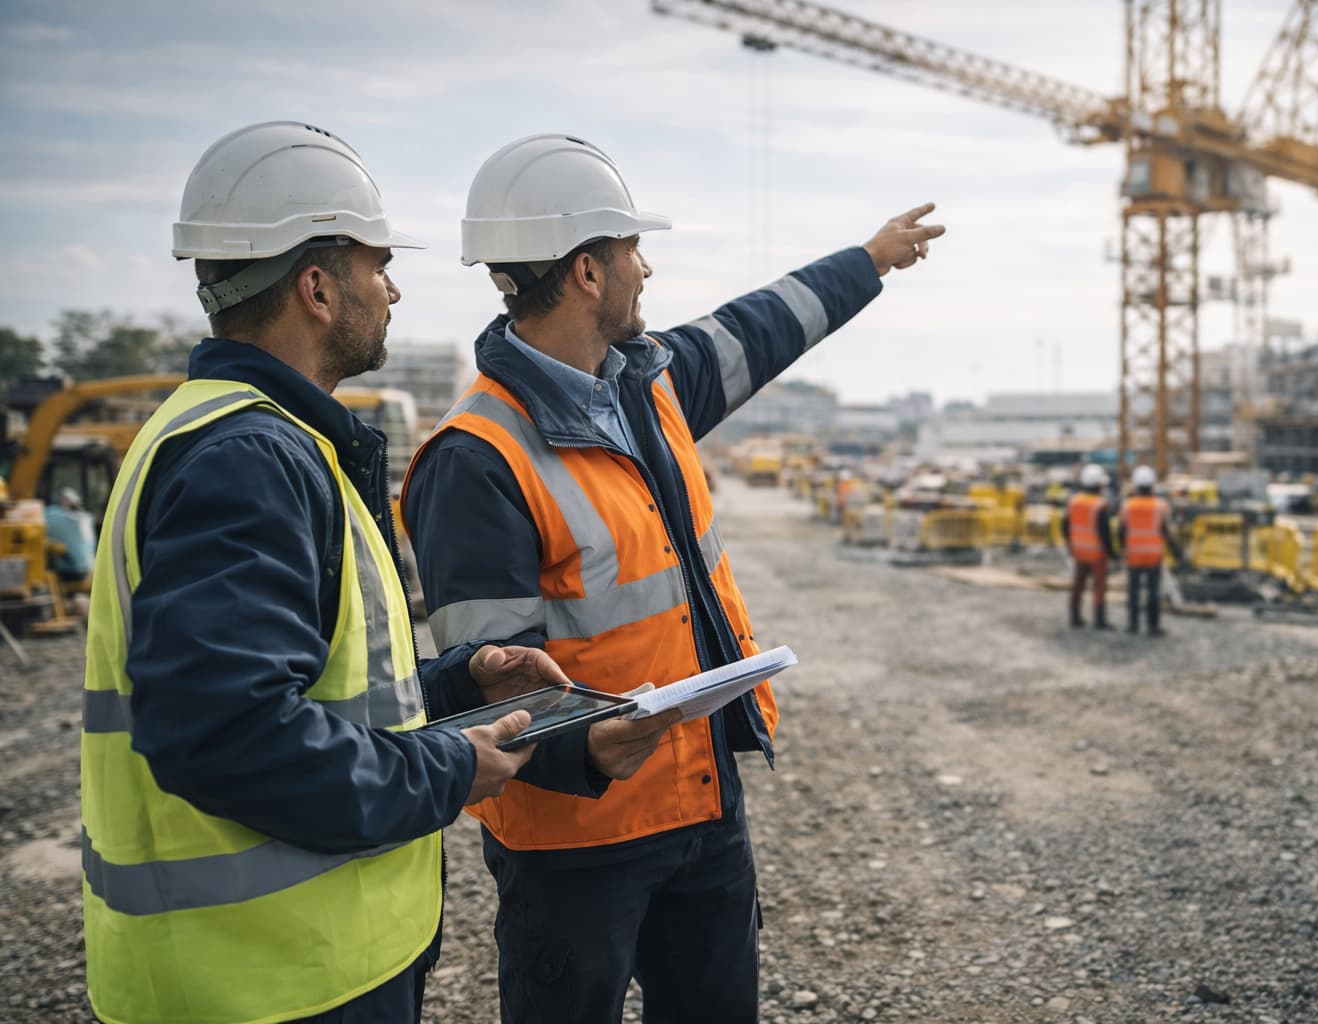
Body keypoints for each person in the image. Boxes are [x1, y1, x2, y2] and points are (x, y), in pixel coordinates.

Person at [401, 133, 944, 1024]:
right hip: (580, 843)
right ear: (586, 271)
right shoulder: (477, 458)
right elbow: (487, 678)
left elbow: (762, 325)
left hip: (698, 804)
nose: (645, 270)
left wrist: (870, 259)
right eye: (630, 251)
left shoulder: (648, 387)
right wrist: (581, 748)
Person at [80, 122, 565, 1024]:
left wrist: (455, 683)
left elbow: (306, 690)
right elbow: (226, 734)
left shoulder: (231, 434)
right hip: (267, 986)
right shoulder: (250, 458)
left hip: (285, 972)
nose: (393, 289)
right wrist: (446, 769)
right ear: (315, 287)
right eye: (377, 266)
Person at [1119, 465, 1184, 636]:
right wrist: (1177, 551)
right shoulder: (1160, 505)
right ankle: (1152, 626)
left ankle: (1133, 625)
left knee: (1133, 591)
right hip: (1153, 554)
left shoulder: (1127, 506)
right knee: (1153, 592)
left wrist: (1121, 549)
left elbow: (1122, 531)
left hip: (1134, 554)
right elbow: (1166, 531)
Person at [1067, 463, 1115, 629]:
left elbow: (1065, 526)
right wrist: (1112, 552)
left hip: (1079, 550)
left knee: (1078, 584)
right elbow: (1105, 533)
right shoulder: (1099, 505)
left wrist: (1070, 544)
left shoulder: (1074, 502)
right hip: (1096, 553)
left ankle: (1074, 616)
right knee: (1099, 586)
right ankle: (1099, 620)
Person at [44, 485, 95, 582]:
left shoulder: (51, 515)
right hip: (89, 569)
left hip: (67, 573)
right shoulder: (87, 519)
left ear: (61, 502)